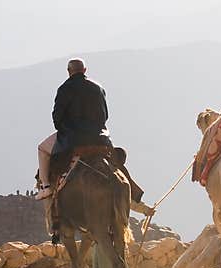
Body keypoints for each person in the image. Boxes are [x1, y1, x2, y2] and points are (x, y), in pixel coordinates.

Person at [36, 58, 153, 214]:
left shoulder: (64, 89)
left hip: (72, 140)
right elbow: (105, 115)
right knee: (115, 165)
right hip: (100, 138)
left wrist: (65, 130)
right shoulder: (98, 87)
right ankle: (134, 198)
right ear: (85, 70)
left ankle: (46, 187)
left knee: (42, 149)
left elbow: (57, 118)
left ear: (69, 71)